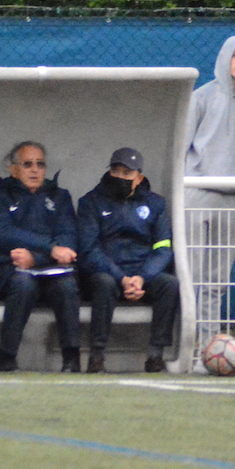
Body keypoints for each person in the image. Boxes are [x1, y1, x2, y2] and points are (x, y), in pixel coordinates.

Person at [184, 35, 235, 359]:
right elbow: (181, 147)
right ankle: (183, 347)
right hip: (197, 196)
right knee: (192, 276)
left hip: (233, 202)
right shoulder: (200, 98)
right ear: (225, 57)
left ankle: (208, 348)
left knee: (216, 280)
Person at [76, 147, 179, 373]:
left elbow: (163, 249)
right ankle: (97, 356)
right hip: (107, 273)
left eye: (127, 173)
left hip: (143, 274)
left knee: (170, 284)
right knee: (103, 283)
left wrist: (141, 278)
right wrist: (122, 278)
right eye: (116, 171)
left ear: (139, 177)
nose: (120, 177)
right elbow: (89, 250)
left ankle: (155, 355)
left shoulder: (156, 204)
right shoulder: (91, 202)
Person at [0, 141, 82, 373]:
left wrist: (36, 259)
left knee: (67, 286)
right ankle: (6, 357)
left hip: (51, 271)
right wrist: (49, 249)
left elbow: (67, 241)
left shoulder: (60, 197)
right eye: (27, 164)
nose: (35, 170)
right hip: (10, 270)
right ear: (14, 169)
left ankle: (72, 359)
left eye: (40, 164)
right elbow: (2, 233)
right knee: (23, 283)